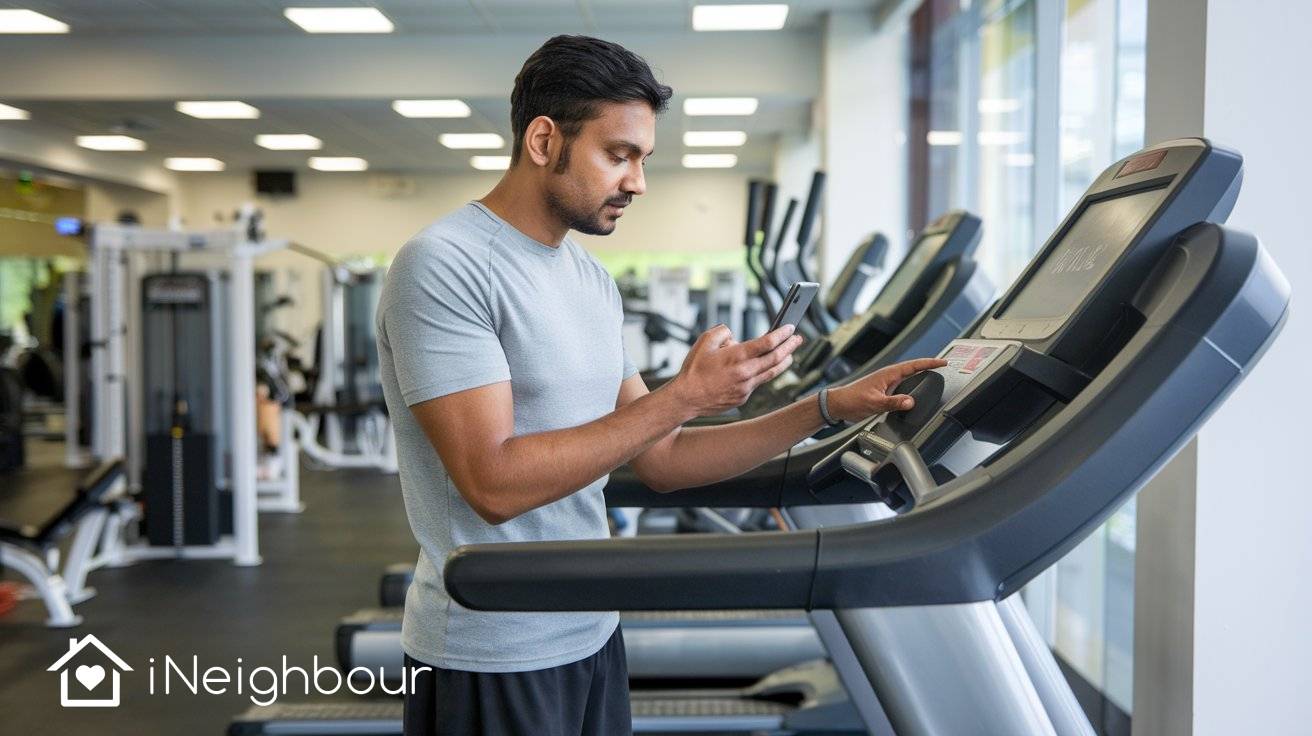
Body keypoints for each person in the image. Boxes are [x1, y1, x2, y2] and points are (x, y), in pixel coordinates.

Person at [376, 34, 946, 736]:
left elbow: (665, 458)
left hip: (589, 632)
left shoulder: (587, 278)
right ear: (544, 140)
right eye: (618, 155)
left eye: (644, 159)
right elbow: (492, 484)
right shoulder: (445, 265)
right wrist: (684, 395)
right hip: (490, 650)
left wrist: (826, 407)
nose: (638, 182)